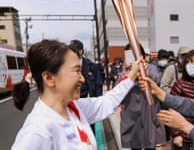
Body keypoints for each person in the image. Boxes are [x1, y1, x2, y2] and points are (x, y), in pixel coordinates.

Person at [11, 39, 141, 150]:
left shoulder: (74, 108)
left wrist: (131, 75)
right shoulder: (37, 131)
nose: (83, 79)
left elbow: (108, 102)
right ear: (49, 78)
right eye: (76, 71)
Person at [119, 43, 168, 150]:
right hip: (131, 118)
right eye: (128, 54)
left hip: (149, 116)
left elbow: (156, 81)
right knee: (134, 145)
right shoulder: (124, 73)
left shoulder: (151, 69)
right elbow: (117, 96)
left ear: (140, 55)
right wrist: (127, 75)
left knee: (150, 144)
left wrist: (143, 72)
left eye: (134, 53)